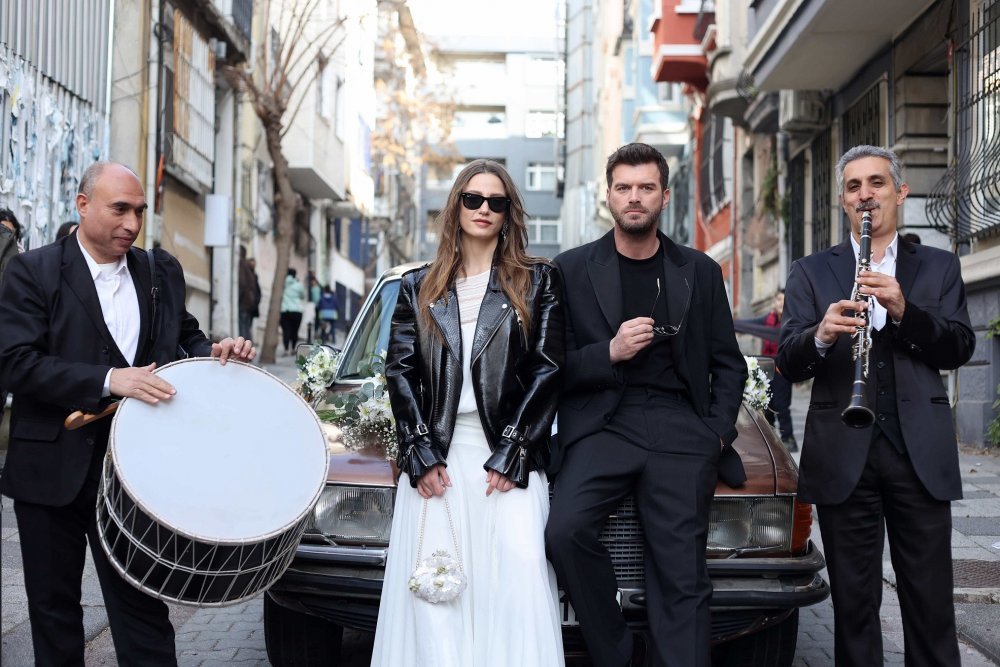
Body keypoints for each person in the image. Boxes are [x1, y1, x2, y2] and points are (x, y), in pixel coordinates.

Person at [0, 161, 256, 666]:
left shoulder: (160, 271)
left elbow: (185, 339)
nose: (132, 223)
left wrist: (215, 354)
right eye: (120, 209)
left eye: (139, 211)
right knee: (53, 612)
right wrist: (107, 380)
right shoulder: (32, 271)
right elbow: (15, 363)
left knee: (143, 610)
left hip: (138, 473)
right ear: (83, 205)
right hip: (50, 469)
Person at [545, 142, 747, 667]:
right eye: (624, 187)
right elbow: (552, 367)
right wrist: (609, 352)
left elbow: (729, 364)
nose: (634, 197)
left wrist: (716, 433)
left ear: (664, 196)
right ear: (608, 195)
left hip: (682, 425)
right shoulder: (569, 269)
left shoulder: (700, 270)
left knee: (681, 573)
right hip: (604, 424)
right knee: (565, 531)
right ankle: (618, 653)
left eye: (646, 187)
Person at [777, 145, 974, 666]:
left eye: (877, 183)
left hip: (919, 454)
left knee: (931, 605)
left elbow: (959, 348)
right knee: (854, 609)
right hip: (843, 455)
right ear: (843, 201)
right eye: (853, 186)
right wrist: (820, 335)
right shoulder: (810, 271)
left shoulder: (939, 266)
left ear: (900, 193)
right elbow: (789, 364)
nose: (865, 194)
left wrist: (905, 311)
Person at [371, 159, 565, 666]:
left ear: (508, 212)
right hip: (439, 459)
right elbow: (400, 371)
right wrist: (419, 453)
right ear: (456, 206)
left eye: (496, 202)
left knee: (517, 579)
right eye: (473, 199)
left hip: (506, 459)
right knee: (437, 593)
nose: (484, 209)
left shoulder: (537, 280)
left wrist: (514, 450)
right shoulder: (418, 286)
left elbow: (548, 369)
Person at [761, 289, 797, 451]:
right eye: (778, 300)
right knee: (767, 404)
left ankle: (788, 439)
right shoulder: (767, 320)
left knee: (782, 405)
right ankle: (769, 439)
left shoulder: (793, 321)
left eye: (783, 300)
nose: (780, 303)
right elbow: (749, 324)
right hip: (767, 370)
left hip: (783, 369)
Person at [279, 267, 306, 355]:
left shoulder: (282, 283)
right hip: (297, 310)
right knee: (295, 331)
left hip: (285, 310)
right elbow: (302, 296)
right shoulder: (299, 284)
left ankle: (286, 350)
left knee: (286, 331)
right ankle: (293, 348)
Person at [238, 246, 261, 340]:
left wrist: (238, 299)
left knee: (243, 327)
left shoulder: (242, 266)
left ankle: (244, 345)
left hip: (244, 303)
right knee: (247, 327)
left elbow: (242, 284)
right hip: (250, 304)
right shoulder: (251, 271)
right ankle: (247, 344)